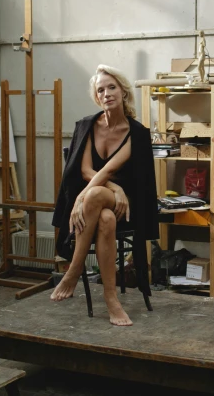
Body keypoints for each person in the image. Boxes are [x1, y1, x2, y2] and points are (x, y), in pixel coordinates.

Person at [50, 65, 158, 326]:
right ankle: (111, 299)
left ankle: (73, 270)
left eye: (112, 87)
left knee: (97, 195)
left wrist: (81, 198)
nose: (107, 93)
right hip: (102, 202)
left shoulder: (136, 133)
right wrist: (112, 188)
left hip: (128, 205)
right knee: (106, 218)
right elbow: (86, 170)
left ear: (123, 92)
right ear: (96, 97)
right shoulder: (88, 126)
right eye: (101, 90)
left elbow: (109, 168)